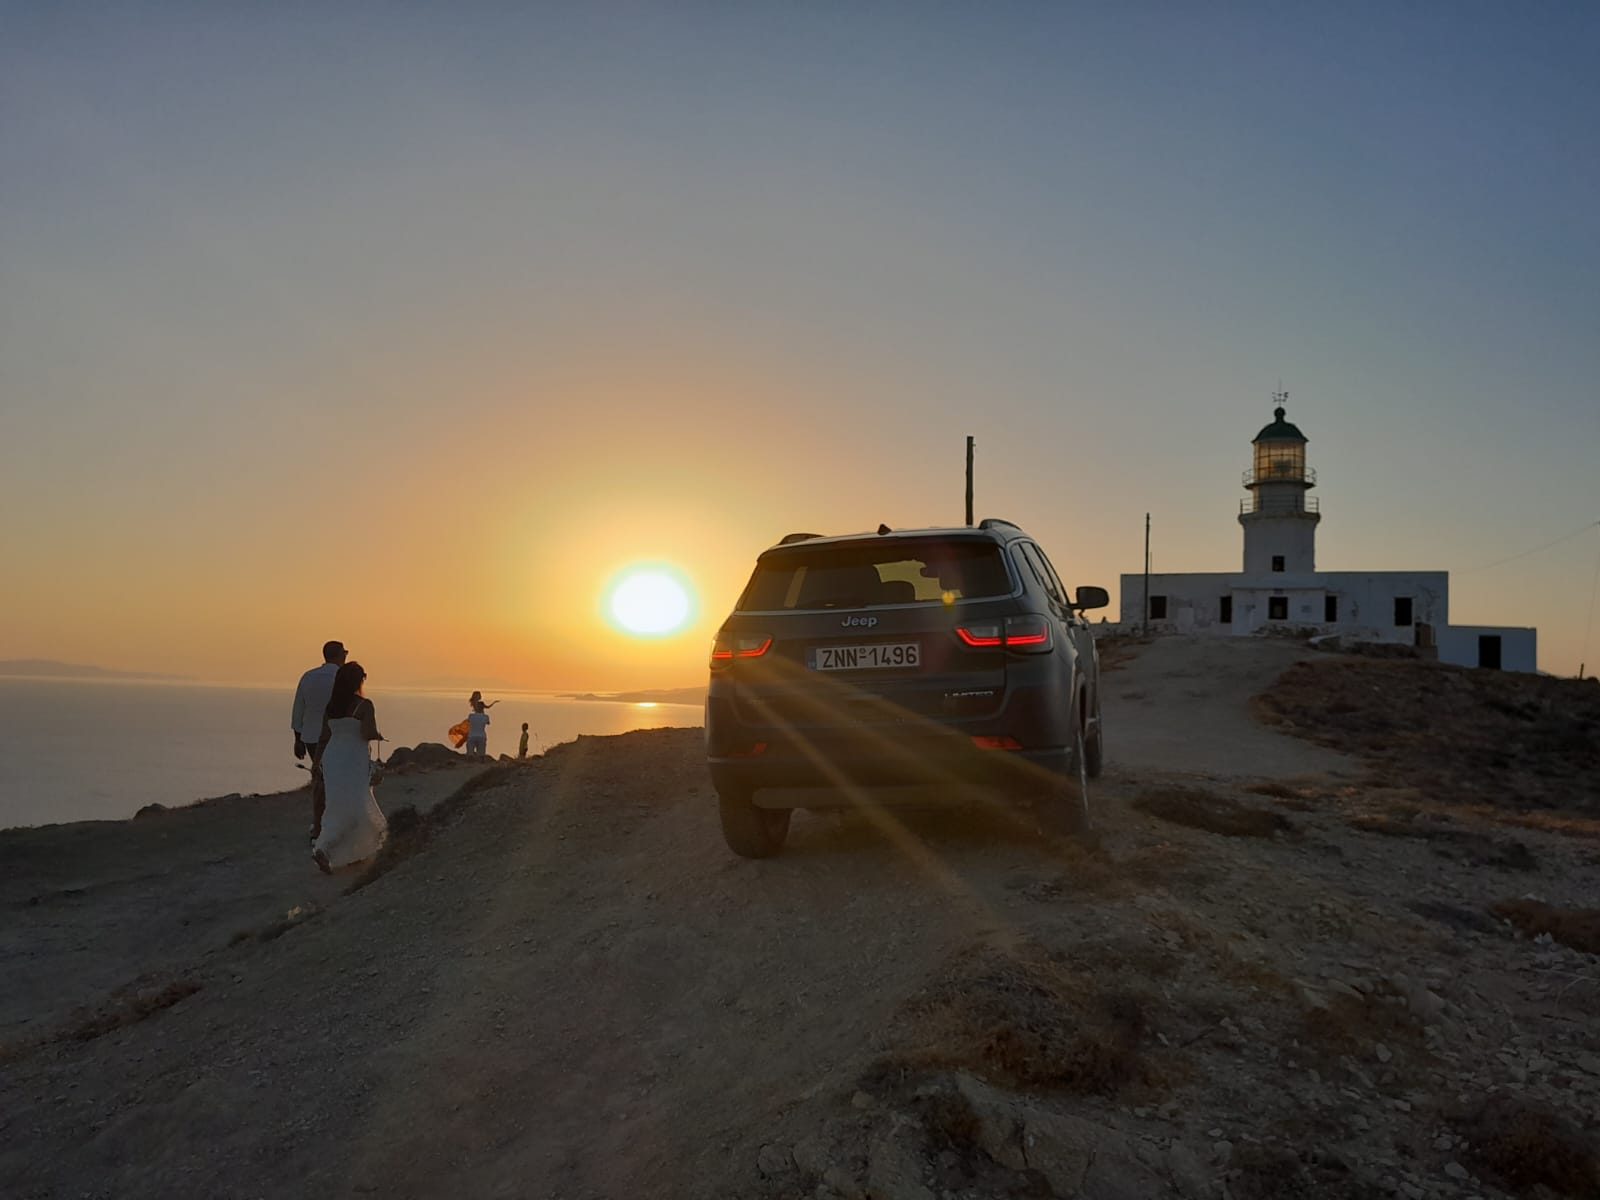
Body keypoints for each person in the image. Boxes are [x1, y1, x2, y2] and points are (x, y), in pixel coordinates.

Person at [311, 661, 388, 873]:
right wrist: (378, 735)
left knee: (336, 804)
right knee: (358, 803)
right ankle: (350, 850)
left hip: (333, 757)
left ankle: (325, 848)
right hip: (353, 757)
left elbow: (324, 737)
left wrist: (316, 763)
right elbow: (366, 732)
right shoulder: (365, 705)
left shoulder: (331, 707)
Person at [291, 640, 347, 841]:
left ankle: (319, 824)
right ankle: (329, 825)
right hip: (335, 736)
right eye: (344, 652)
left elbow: (298, 710)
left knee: (320, 780)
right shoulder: (342, 678)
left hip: (311, 737)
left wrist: (297, 739)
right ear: (339, 655)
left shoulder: (308, 677)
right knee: (335, 781)